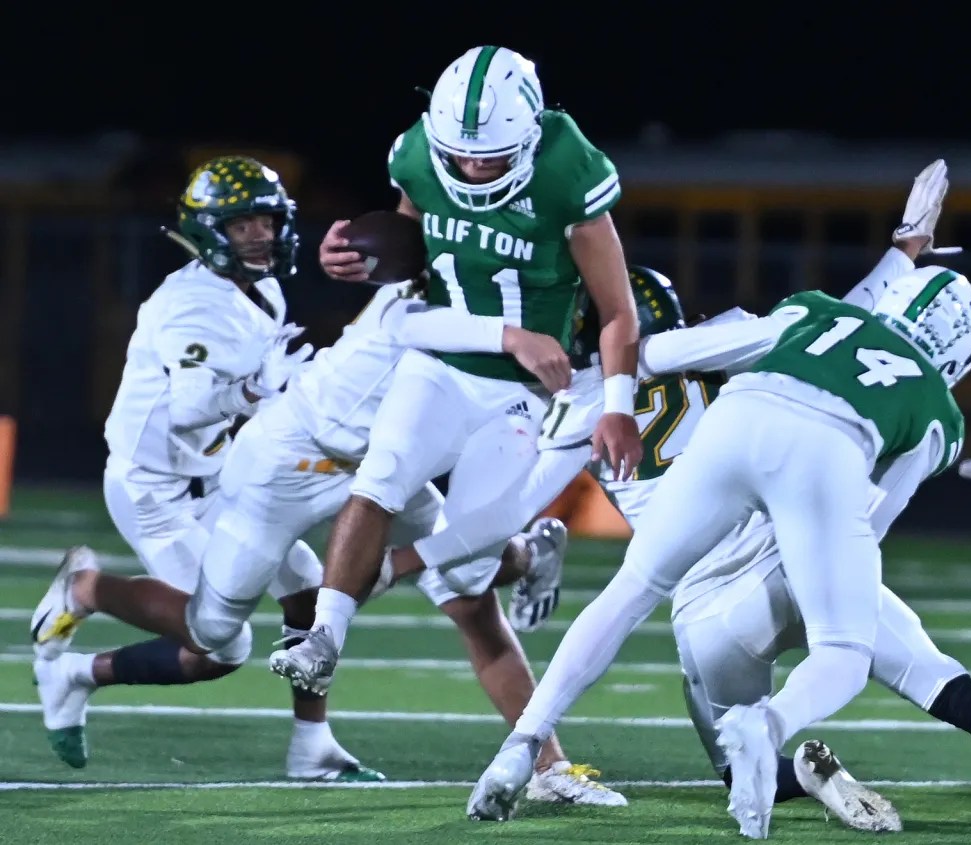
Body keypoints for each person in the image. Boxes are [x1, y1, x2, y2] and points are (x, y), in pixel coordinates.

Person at [467, 161, 971, 839]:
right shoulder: (736, 340)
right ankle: (802, 748)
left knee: (635, 602)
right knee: (880, 660)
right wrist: (904, 251)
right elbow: (853, 322)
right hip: (785, 531)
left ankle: (523, 741)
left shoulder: (583, 401)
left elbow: (511, 506)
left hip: (701, 580)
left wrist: (514, 548)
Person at [30, 271, 629, 804]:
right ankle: (86, 591)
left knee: (469, 599)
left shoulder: (504, 323)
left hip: (380, 468)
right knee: (213, 636)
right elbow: (409, 292)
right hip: (288, 462)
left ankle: (542, 762)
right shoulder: (430, 304)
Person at [268, 45, 643, 696]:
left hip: (522, 389)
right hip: (440, 359)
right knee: (381, 475)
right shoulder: (418, 154)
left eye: (489, 155)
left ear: (528, 135)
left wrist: (617, 404)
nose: (471, 166)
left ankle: (532, 551)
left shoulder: (566, 169)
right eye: (459, 154)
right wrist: (356, 257)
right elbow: (410, 248)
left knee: (468, 572)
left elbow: (618, 310)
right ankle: (322, 639)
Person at [26, 156, 395, 779]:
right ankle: (86, 592)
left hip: (223, 470)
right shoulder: (191, 306)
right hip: (158, 489)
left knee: (310, 591)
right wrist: (257, 390)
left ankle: (312, 746)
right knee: (220, 644)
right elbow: (190, 411)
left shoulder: (262, 288)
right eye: (242, 224)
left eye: (267, 221)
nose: (260, 235)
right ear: (207, 230)